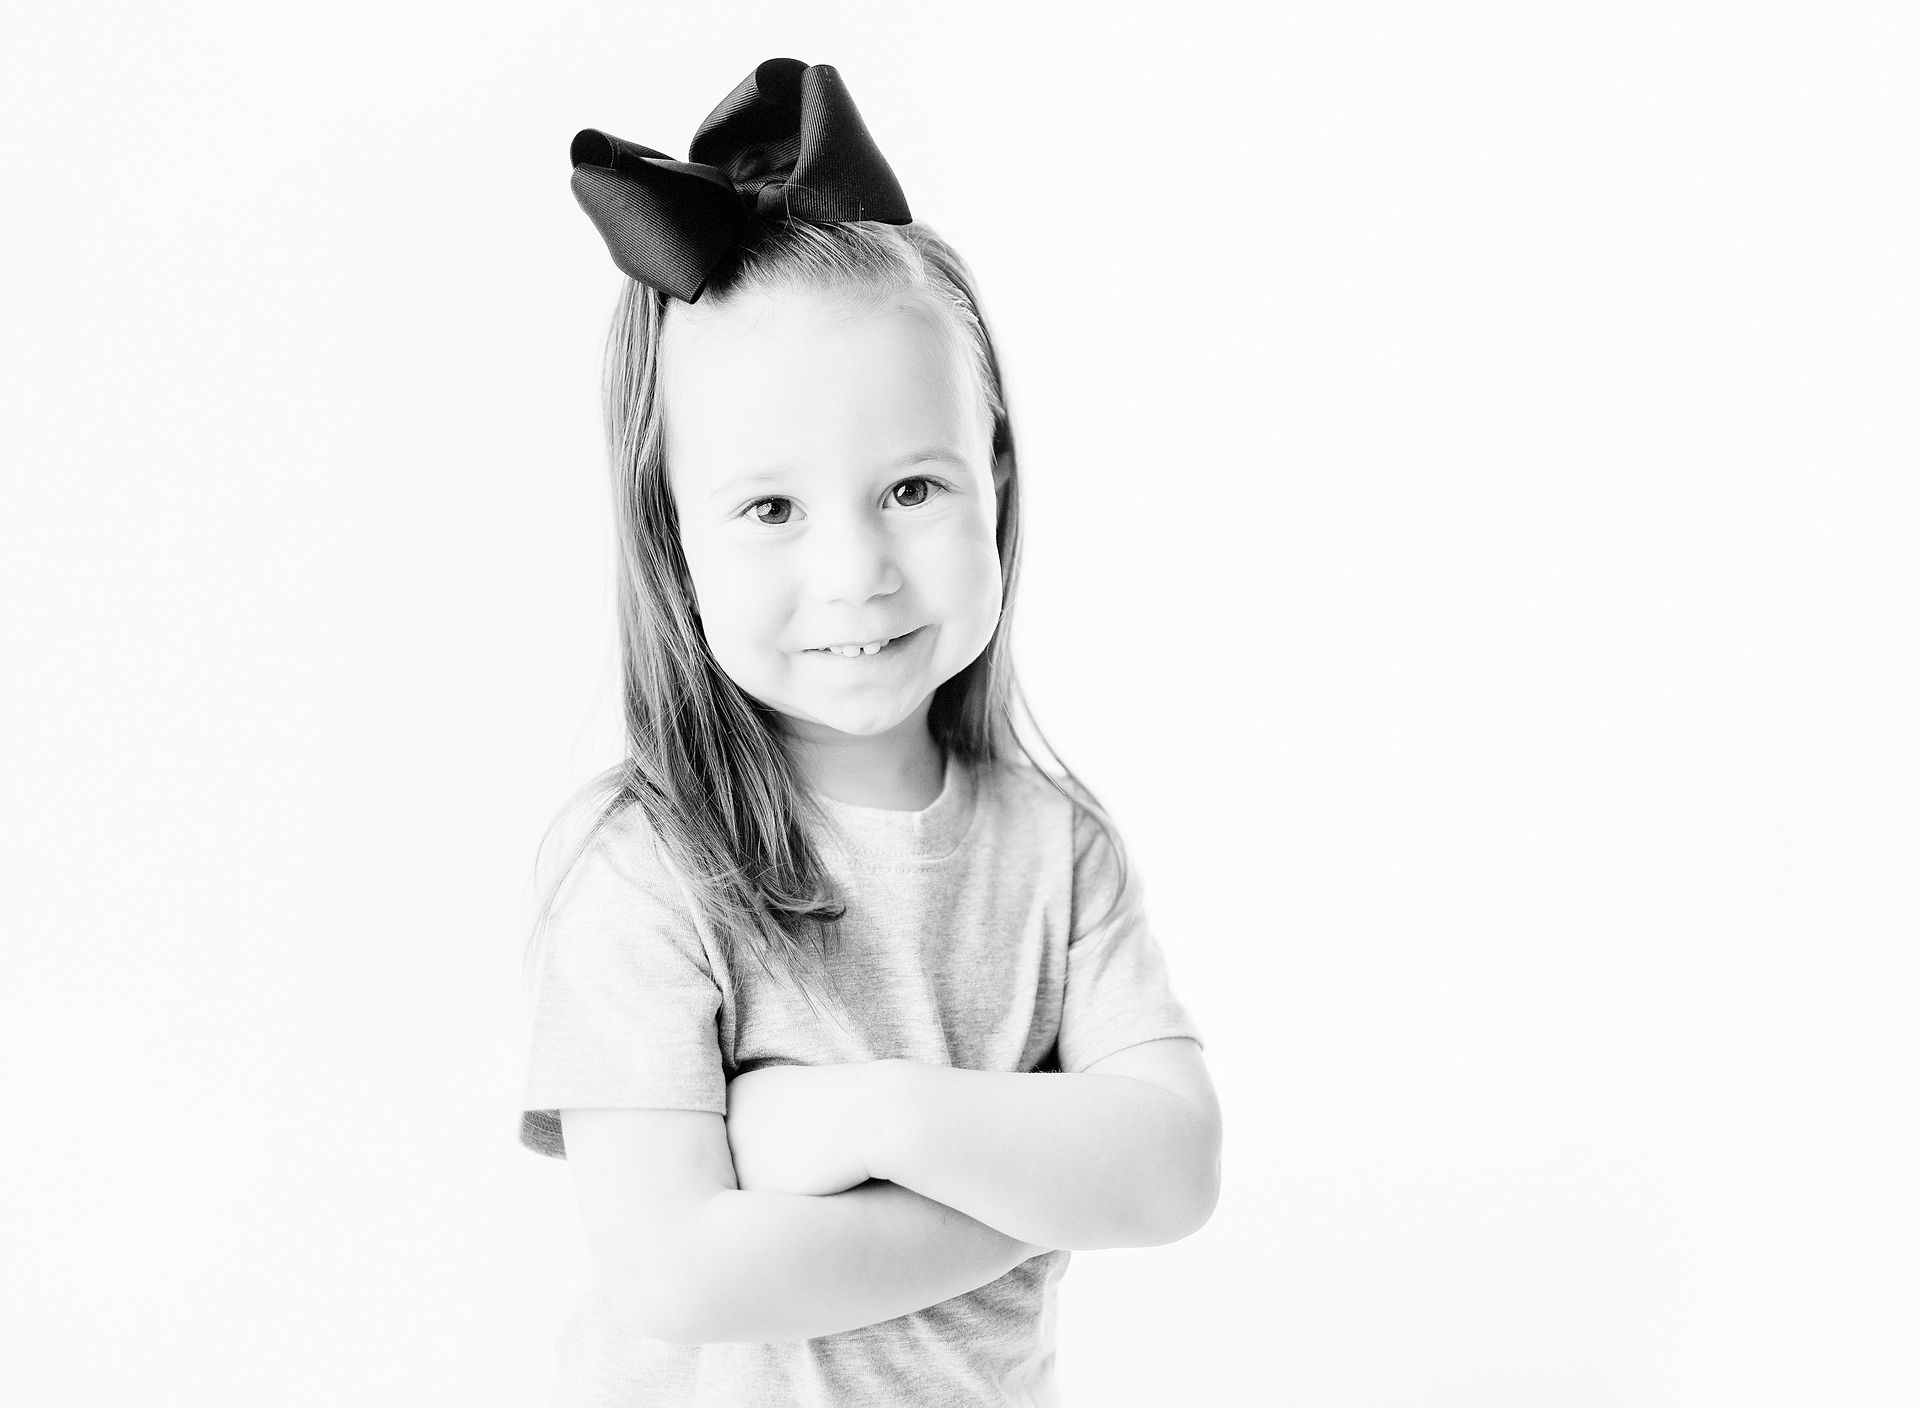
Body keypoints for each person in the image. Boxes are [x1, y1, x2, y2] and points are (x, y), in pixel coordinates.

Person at [519, 57, 1223, 1408]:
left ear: (995, 482)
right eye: (772, 509)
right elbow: (680, 1272)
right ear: (675, 541)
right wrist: (1042, 1187)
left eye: (909, 486)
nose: (855, 573)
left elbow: (1176, 1165)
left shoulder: (1053, 851)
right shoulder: (650, 873)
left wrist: (870, 1118)